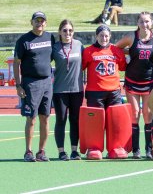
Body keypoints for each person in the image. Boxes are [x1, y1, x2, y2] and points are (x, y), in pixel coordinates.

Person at [115, 11, 153, 159]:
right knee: (134, 113)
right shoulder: (132, 36)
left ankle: (148, 148)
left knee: (147, 114)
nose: (144, 24)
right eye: (141, 21)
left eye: (147, 21)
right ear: (137, 23)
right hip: (132, 80)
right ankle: (135, 149)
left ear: (151, 23)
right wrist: (128, 54)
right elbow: (116, 48)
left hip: (149, 81)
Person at [14, 11, 55, 162]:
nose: (40, 23)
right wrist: (18, 85)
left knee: (45, 118)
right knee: (31, 118)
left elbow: (50, 57)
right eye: (36, 21)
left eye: (42, 21)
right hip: (31, 83)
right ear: (31, 22)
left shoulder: (50, 37)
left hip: (47, 82)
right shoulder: (23, 40)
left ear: (46, 22)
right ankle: (28, 152)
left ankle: (41, 152)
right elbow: (17, 63)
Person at [81, 25, 127, 158]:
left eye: (106, 36)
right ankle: (94, 147)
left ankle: (116, 147)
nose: (104, 38)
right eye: (101, 36)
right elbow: (82, 67)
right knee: (96, 122)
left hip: (114, 91)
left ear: (110, 36)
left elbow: (123, 67)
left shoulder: (116, 50)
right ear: (96, 36)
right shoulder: (89, 51)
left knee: (115, 121)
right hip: (95, 91)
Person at [51, 19, 85, 161]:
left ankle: (74, 151)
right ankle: (61, 151)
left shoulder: (79, 45)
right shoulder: (55, 47)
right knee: (61, 120)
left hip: (77, 90)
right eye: (65, 30)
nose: (67, 33)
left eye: (70, 30)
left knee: (75, 120)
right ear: (60, 32)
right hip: (60, 91)